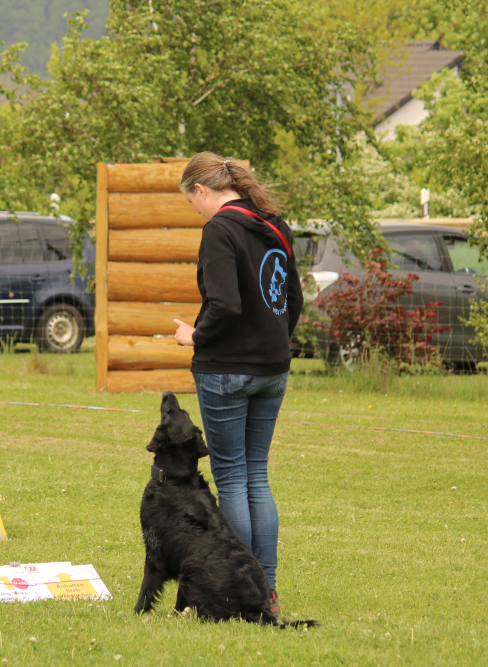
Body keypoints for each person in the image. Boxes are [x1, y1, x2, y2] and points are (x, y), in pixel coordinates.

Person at [173, 152, 303, 616]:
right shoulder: (275, 225)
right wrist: (274, 343)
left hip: (226, 369)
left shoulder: (220, 230)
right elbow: (293, 299)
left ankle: (235, 593)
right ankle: (265, 593)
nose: (197, 210)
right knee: (256, 477)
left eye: (193, 201)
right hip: (273, 368)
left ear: (202, 191)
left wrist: (194, 335)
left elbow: (224, 305)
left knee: (231, 479)